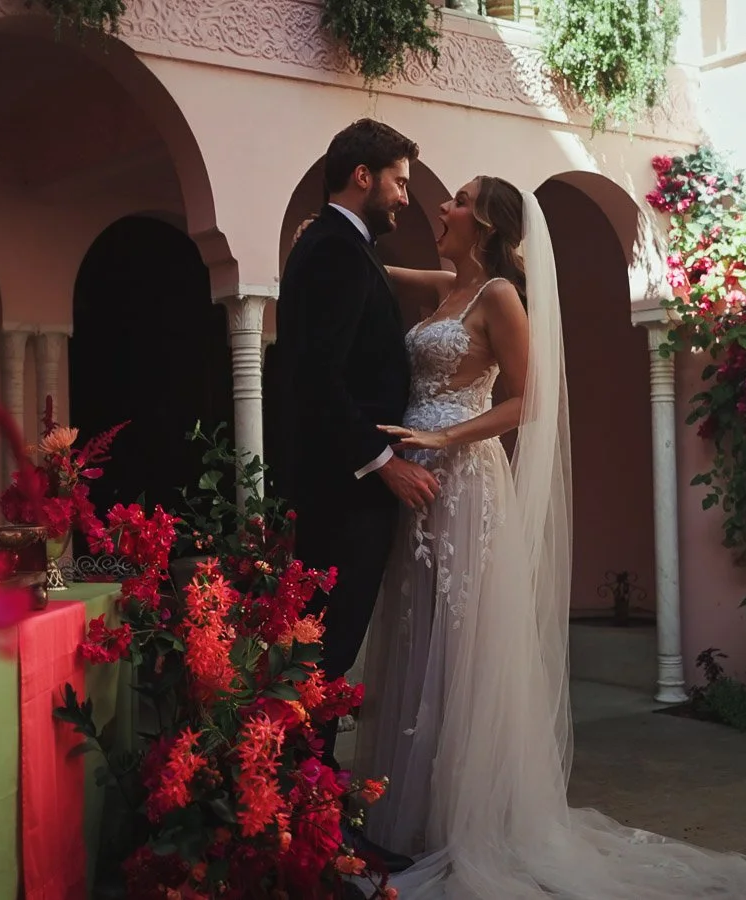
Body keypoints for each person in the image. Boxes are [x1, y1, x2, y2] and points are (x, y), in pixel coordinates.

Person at [348, 174, 746, 899]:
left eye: (455, 200)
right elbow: (373, 271)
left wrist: (445, 434)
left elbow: (527, 399)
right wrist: (323, 247)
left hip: (463, 482)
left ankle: (467, 824)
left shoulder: (498, 297)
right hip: (416, 489)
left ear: (481, 221)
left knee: (463, 643)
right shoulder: (446, 286)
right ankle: (410, 821)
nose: (439, 206)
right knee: (419, 640)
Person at [270, 119, 440, 768]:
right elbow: (316, 376)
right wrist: (382, 463)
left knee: (325, 652)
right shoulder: (336, 250)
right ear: (362, 176)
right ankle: (305, 810)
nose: (404, 196)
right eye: (398, 182)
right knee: (326, 653)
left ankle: (310, 802)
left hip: (345, 489)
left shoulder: (344, 245)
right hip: (346, 491)